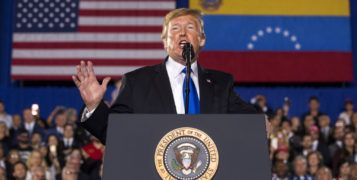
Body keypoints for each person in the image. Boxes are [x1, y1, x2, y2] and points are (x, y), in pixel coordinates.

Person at [72, 8, 259, 144]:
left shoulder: (221, 83)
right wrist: (95, 106)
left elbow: (249, 122)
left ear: (202, 39)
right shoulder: (138, 81)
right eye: (175, 29)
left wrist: (261, 122)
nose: (183, 33)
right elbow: (114, 134)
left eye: (190, 27)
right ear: (165, 41)